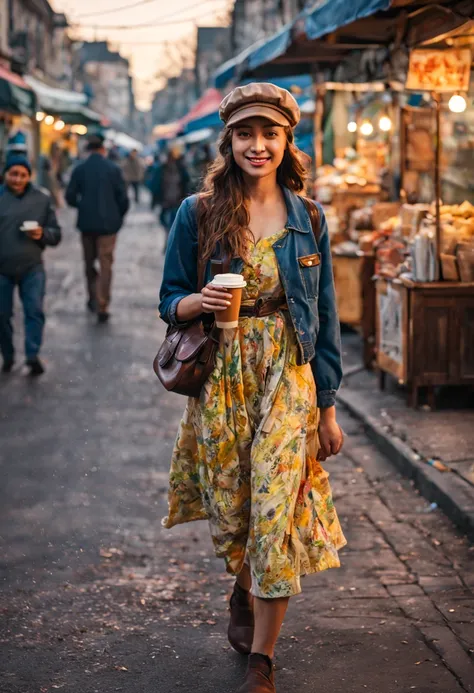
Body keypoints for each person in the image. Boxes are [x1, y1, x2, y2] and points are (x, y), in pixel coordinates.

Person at [159, 83, 346, 693]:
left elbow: (326, 321)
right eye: (245, 134)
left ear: (287, 140)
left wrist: (328, 407)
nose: (257, 145)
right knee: (237, 505)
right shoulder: (198, 211)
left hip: (286, 377)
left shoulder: (308, 216)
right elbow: (168, 299)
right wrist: (197, 301)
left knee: (274, 509)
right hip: (224, 376)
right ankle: (244, 583)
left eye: (269, 134)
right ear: (230, 140)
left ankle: (262, 660)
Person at [0, 156, 61, 375]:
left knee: (34, 311)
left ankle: (32, 355)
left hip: (32, 267)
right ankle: (7, 355)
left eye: (22, 175)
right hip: (2, 269)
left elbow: (56, 235)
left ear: (29, 176)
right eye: (13, 174)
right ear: (5, 174)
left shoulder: (41, 199)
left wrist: (42, 234)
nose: (17, 179)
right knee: (2, 315)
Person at [66, 135, 129, 324]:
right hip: (109, 226)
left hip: (86, 225)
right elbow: (123, 200)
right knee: (105, 264)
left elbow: (70, 197)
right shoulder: (113, 169)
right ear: (103, 149)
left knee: (89, 263)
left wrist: (83, 206)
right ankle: (103, 305)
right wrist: (117, 217)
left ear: (88, 150)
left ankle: (92, 297)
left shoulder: (79, 169)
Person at [156, 145, 190, 252]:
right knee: (169, 223)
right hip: (171, 201)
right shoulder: (165, 168)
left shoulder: (175, 168)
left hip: (174, 201)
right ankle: (170, 244)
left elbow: (186, 183)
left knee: (171, 223)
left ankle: (170, 244)